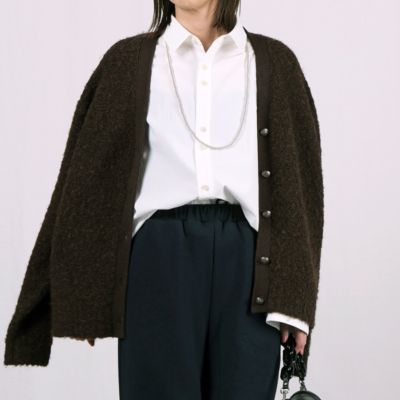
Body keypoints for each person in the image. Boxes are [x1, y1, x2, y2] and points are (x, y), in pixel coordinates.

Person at [4, 1, 324, 399]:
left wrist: (296, 299)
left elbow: (301, 188)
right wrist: (89, 287)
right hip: (158, 257)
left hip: (251, 263)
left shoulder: (275, 62)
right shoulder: (129, 61)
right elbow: (86, 175)